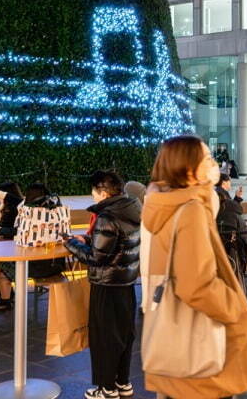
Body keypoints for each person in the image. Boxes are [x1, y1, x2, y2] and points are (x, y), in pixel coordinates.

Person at [140, 135, 247, 399]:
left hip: (172, 338)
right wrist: (237, 311)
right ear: (189, 168)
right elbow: (195, 284)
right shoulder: (190, 210)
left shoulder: (162, 204)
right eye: (207, 158)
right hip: (198, 340)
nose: (214, 165)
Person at [66, 171, 140, 399]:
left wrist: (70, 244)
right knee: (124, 336)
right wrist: (88, 240)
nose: (92, 195)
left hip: (107, 285)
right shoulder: (131, 209)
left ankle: (106, 388)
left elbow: (97, 258)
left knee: (105, 338)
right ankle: (122, 382)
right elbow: (117, 243)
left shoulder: (107, 217)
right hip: (126, 283)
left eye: (93, 190)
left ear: (103, 192)